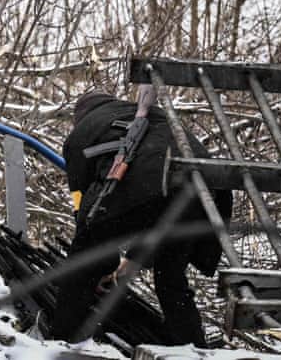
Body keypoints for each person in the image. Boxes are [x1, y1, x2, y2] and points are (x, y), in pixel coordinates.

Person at [48, 89, 231, 346]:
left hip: (151, 187)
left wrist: (102, 263)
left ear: (80, 116)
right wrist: (132, 259)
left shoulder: (81, 134)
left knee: (81, 260)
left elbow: (87, 211)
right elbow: (159, 208)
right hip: (202, 192)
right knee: (171, 279)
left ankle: (61, 339)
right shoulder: (153, 116)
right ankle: (193, 347)